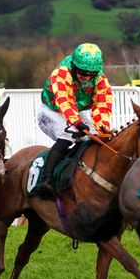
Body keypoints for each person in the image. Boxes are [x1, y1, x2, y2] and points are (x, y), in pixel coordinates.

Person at [36, 43, 112, 195]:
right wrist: (77, 123)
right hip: (52, 110)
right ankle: (46, 179)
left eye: (90, 73)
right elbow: (65, 102)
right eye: (82, 71)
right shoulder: (62, 73)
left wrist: (103, 127)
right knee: (68, 135)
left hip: (78, 111)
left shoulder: (100, 79)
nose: (85, 76)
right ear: (74, 65)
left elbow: (102, 105)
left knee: (97, 136)